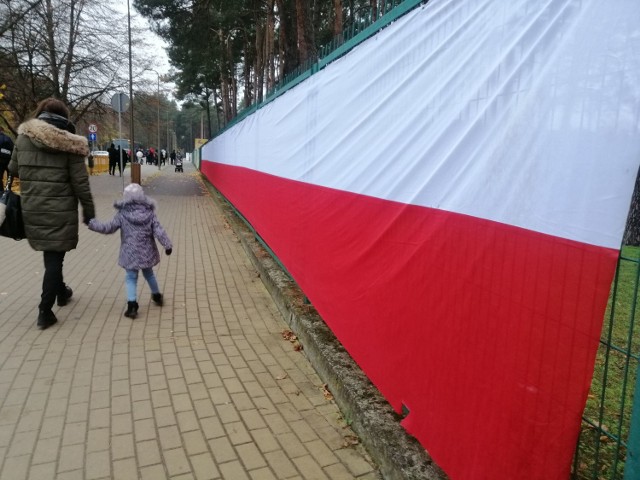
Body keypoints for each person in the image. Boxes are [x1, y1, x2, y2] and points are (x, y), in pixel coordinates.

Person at [8, 97, 95, 329]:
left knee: (51, 254)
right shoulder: (71, 144)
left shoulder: (23, 138)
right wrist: (89, 210)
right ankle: (45, 311)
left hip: (33, 207)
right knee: (55, 257)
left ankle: (62, 292)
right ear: (64, 118)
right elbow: (80, 183)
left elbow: (13, 169)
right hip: (60, 208)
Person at [88, 183, 172, 319]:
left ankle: (132, 305)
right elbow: (159, 230)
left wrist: (92, 224)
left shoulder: (122, 214)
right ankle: (156, 295)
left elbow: (108, 227)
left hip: (130, 253)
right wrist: (167, 245)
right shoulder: (149, 213)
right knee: (149, 274)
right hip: (146, 252)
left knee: (131, 278)